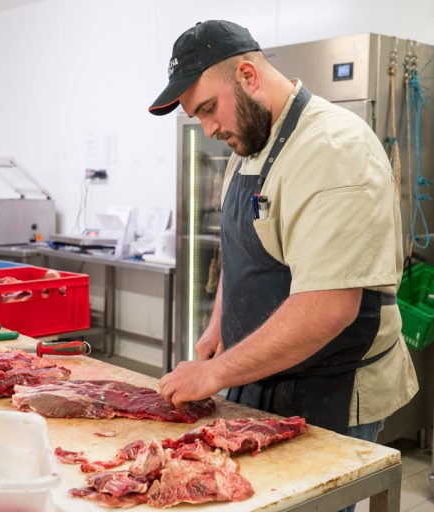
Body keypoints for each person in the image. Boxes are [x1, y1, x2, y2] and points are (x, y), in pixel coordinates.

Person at [150, 19, 418, 459]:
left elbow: (328, 308)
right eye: (198, 116)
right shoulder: (251, 144)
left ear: (249, 77)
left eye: (209, 108)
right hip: (264, 374)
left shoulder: (332, 148)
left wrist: (215, 372)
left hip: (329, 383)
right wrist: (219, 323)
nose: (209, 129)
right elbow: (244, 250)